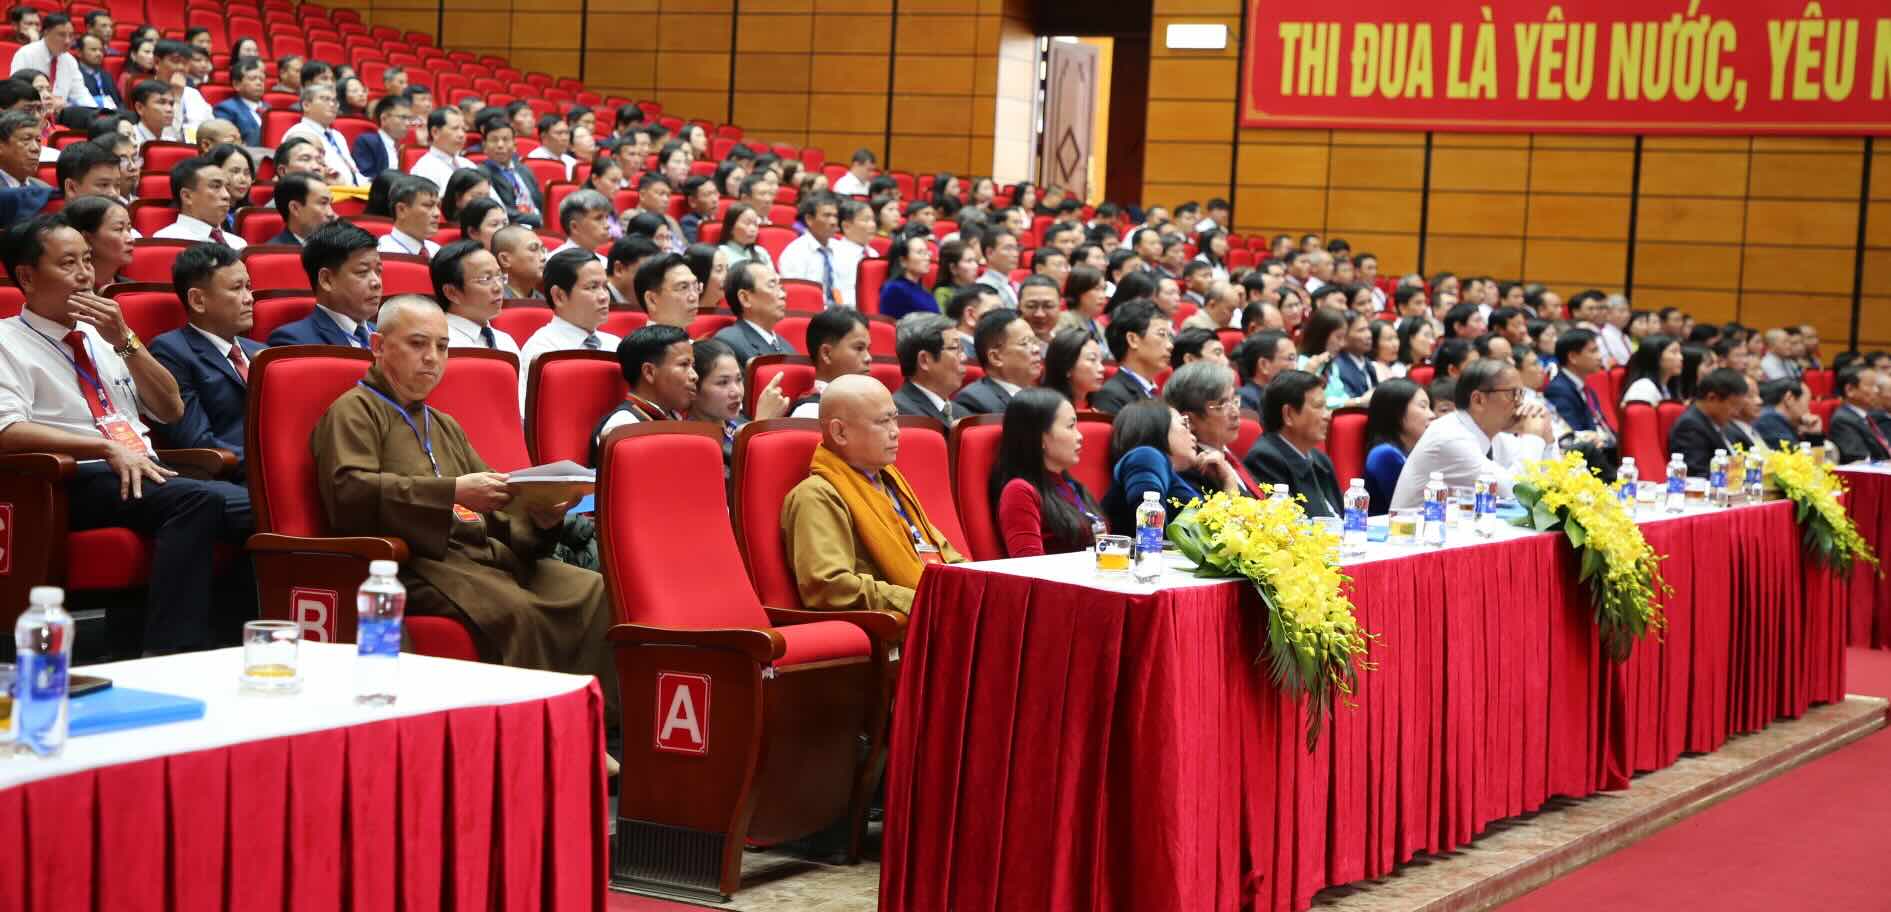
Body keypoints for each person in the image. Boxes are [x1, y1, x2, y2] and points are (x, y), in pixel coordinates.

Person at [311, 294, 619, 726]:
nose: (432, 358)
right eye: (418, 344)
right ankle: (533, 735)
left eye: (441, 347)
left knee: (593, 591)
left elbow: (496, 498)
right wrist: (451, 491)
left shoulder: (443, 423)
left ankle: (589, 726)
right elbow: (349, 492)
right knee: (517, 612)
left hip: (479, 556)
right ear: (378, 346)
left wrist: (541, 514)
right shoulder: (353, 412)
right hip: (419, 563)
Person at [0, 213, 253, 653]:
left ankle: (231, 644)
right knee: (197, 500)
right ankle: (170, 655)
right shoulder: (6, 341)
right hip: (70, 478)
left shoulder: (102, 336)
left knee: (258, 509)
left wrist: (125, 339)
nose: (85, 275)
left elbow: (170, 408)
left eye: (87, 261)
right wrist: (103, 446)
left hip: (141, 467)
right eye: (68, 264)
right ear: (26, 275)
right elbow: (8, 431)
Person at [781, 374, 964, 614]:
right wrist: (924, 601)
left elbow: (937, 550)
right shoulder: (817, 496)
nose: (895, 432)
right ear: (840, 432)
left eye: (895, 419)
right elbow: (829, 586)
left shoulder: (890, 481)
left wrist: (978, 583)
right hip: (898, 626)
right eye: (882, 422)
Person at [146, 242, 266, 476]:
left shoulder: (261, 352)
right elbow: (196, 442)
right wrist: (268, 463)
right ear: (197, 300)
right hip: (228, 479)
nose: (249, 298)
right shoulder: (171, 352)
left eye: (249, 287)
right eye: (236, 288)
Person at [1390, 359, 1555, 509]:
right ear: (1478, 400)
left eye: (1522, 394)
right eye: (1513, 394)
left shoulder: (1495, 435)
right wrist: (1534, 437)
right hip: (1416, 535)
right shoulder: (1450, 437)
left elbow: (1547, 486)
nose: (1520, 403)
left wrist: (1547, 439)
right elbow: (1517, 490)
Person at [992, 388, 1104, 556]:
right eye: (1070, 426)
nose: (1079, 436)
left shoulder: (1068, 484)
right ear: (1040, 438)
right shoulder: (1019, 492)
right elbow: (1029, 570)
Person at [1101, 399, 1233, 532]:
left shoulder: (1166, 471)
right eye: (1184, 424)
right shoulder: (1146, 456)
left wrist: (1228, 482)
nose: (1193, 436)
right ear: (1157, 427)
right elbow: (1149, 531)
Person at [518, 247, 620, 411]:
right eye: (592, 287)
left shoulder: (615, 344)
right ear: (559, 296)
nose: (604, 296)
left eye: (605, 286)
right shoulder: (542, 351)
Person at [1243, 369, 1342, 516]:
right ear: (1288, 414)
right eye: (1318, 406)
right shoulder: (1265, 460)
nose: (1328, 415)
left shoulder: (1320, 459)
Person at [269, 221, 382, 347]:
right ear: (326, 280)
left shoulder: (386, 334)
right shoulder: (296, 342)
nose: (376, 282)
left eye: (378, 271)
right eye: (362, 272)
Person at [593, 324, 698, 451]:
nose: (695, 376)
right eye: (683, 365)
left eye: (693, 366)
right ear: (649, 372)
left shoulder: (674, 415)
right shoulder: (623, 426)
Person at [1167, 361, 1260, 496]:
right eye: (1221, 404)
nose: (1235, 413)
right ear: (1190, 420)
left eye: (1234, 400)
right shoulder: (1191, 469)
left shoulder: (1226, 454)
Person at [432, 239, 517, 354]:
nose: (498, 287)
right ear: (452, 292)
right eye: (486, 279)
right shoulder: (439, 345)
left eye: (499, 276)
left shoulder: (506, 342)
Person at [1361, 378, 1432, 515]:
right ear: (1398, 413)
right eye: (1423, 406)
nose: (1431, 415)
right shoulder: (1384, 455)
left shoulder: (1408, 451)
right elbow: (1412, 509)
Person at [1089, 298, 1171, 415]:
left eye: (1169, 337)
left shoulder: (1158, 393)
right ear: (1133, 340)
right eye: (1161, 334)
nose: (1170, 345)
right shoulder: (1111, 396)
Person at [953, 308, 1041, 416]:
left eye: (1034, 341)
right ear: (995, 357)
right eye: (1025, 343)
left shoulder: (1040, 393)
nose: (1036, 349)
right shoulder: (976, 401)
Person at [788, 308, 874, 418]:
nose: (868, 358)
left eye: (868, 349)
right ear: (826, 354)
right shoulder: (810, 413)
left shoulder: (869, 405)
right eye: (859, 348)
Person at [713, 258, 796, 365]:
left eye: (780, 286)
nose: (783, 295)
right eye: (771, 285)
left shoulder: (787, 347)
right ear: (745, 298)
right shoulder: (729, 342)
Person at [1669, 368, 1751, 476]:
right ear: (1712, 398)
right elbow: (1698, 474)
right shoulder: (1690, 427)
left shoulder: (1722, 422)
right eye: (1734, 406)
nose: (1737, 413)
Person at [280, 83, 365, 187]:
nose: (332, 104)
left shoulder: (337, 135)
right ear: (306, 105)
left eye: (334, 100)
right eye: (325, 99)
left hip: (354, 191)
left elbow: (353, 171)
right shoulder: (298, 133)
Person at [1542, 328, 1616, 442]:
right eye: (1593, 351)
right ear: (1573, 357)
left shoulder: (1585, 387)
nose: (1600, 356)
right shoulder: (1559, 390)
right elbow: (1574, 435)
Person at [891, 313, 966, 425]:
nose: (964, 357)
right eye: (955, 348)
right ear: (924, 360)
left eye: (962, 348)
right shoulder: (900, 415)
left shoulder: (962, 413)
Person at [776, 191, 844, 305]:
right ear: (809, 219)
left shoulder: (842, 249)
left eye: (835, 216)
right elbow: (797, 296)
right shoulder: (794, 252)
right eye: (827, 216)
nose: (833, 222)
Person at [478, 116, 544, 227]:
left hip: (538, 225)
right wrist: (537, 219)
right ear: (484, 147)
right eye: (494, 140)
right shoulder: (481, 174)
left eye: (505, 139)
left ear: (515, 146)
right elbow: (497, 209)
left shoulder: (524, 170)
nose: (500, 145)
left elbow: (540, 202)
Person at [63, 194, 133, 288]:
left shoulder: (132, 291)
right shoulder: (65, 294)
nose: (131, 239)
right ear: (86, 239)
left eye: (129, 229)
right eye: (119, 229)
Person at [1829, 365, 1890, 463]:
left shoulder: (1868, 416)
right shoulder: (1842, 421)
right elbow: (1861, 461)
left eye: (1877, 386)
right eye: (1871, 385)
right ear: (1850, 390)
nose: (1877, 391)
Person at [632, 250, 701, 329]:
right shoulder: (639, 341)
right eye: (683, 287)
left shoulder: (696, 341)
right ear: (652, 300)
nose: (694, 297)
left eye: (695, 286)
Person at [376, 174, 441, 257]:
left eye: (438, 206)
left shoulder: (436, 250)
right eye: (428, 205)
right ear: (401, 210)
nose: (437, 213)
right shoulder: (382, 253)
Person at [1043, 326, 1105, 411]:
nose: (1102, 368)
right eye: (1092, 359)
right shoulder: (1049, 412)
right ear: (1067, 366)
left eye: (1101, 361)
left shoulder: (1100, 406)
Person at [878, 232, 937, 319]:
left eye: (927, 252)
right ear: (903, 261)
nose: (927, 257)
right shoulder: (894, 290)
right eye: (920, 253)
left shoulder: (920, 288)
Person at [266, 174, 334, 247]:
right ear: (295, 208)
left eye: (331, 203)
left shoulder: (339, 245)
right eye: (323, 203)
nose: (331, 213)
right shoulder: (276, 255)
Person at [1620, 334, 1681, 407]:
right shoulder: (1643, 389)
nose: (1681, 357)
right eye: (1674, 352)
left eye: (1680, 352)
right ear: (1655, 356)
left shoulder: (1667, 386)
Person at [492, 224, 546, 299]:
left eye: (543, 250)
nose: (544, 257)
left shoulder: (545, 302)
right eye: (533, 249)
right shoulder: (494, 302)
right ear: (505, 259)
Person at [1753, 377, 1809, 449]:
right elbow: (1799, 456)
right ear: (1789, 399)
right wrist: (1815, 438)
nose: (1808, 410)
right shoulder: (1769, 420)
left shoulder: (1773, 417)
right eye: (1808, 402)